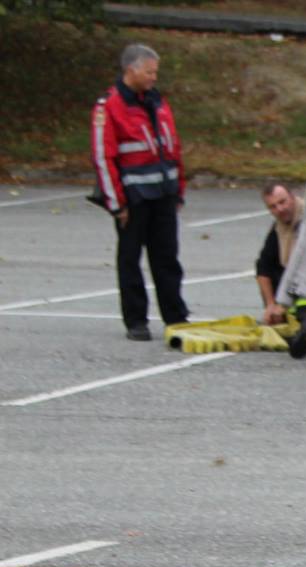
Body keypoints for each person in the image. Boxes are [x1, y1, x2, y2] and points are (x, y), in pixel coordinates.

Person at [91, 43, 189, 342]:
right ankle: (136, 320)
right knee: (130, 259)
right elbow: (102, 157)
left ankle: (176, 316)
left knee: (167, 257)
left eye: (155, 72)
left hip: (163, 193)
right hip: (133, 198)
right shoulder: (109, 107)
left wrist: (178, 189)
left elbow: (172, 145)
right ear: (130, 70)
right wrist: (116, 202)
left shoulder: (157, 101)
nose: (153, 77)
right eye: (149, 72)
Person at [253, 179, 303, 326]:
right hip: (292, 287)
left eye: (282, 202)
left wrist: (284, 304)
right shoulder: (278, 228)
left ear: (293, 197)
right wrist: (270, 304)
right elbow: (263, 267)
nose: (279, 209)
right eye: (273, 207)